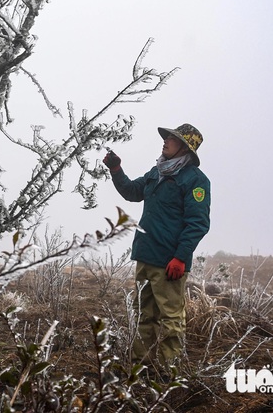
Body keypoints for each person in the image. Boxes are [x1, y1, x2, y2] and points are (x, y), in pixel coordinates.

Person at [103, 124, 210, 368]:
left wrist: (181, 257)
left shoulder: (195, 181)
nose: (166, 141)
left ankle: (170, 372)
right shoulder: (156, 172)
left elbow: (198, 223)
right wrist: (116, 169)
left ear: (185, 147)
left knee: (171, 319)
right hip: (145, 255)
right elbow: (132, 191)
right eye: (168, 137)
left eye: (172, 139)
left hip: (170, 262)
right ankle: (141, 367)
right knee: (144, 315)